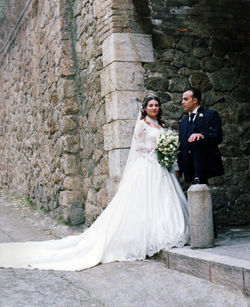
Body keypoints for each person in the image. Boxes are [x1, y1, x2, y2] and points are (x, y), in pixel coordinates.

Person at [0, 94, 189, 271]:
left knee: (162, 200)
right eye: (151, 105)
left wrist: (172, 160)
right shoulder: (142, 125)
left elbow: (167, 148)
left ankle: (164, 233)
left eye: (156, 105)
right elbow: (138, 147)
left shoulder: (160, 124)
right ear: (145, 108)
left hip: (162, 169)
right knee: (144, 201)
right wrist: (157, 148)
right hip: (147, 167)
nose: (154, 108)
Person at [177, 87, 224, 184]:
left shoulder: (210, 115)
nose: (182, 102)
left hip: (206, 165)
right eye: (182, 99)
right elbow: (182, 146)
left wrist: (202, 135)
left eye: (185, 99)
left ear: (195, 100)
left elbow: (218, 136)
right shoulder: (183, 122)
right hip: (189, 168)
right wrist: (179, 168)